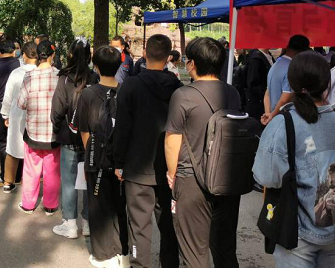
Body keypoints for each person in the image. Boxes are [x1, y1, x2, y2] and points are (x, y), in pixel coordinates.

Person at [253, 51, 335, 265]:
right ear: (327, 83)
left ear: (291, 84)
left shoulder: (283, 124)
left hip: (296, 232)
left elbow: (266, 177)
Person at [164, 37, 242, 268]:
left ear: (192, 63)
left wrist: (172, 174)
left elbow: (172, 141)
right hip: (227, 178)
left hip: (191, 180)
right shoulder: (232, 93)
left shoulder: (183, 95)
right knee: (225, 249)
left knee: (193, 252)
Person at [114, 34, 182, 268]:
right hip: (169, 168)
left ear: (145, 52)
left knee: (139, 228)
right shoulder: (177, 87)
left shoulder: (131, 85)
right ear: (168, 56)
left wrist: (118, 162)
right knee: (169, 225)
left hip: (136, 167)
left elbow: (122, 127)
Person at [77, 46, 128, 267]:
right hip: (122, 159)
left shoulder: (88, 94)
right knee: (120, 205)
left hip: (96, 158)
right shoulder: (126, 91)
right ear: (119, 65)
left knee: (98, 207)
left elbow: (84, 130)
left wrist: (92, 154)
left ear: (95, 67)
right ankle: (123, 252)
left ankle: (104, 255)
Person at [51, 38, 96, 239]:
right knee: (87, 181)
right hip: (90, 138)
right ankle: (87, 223)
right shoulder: (94, 78)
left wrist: (56, 127)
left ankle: (69, 224)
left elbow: (57, 110)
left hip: (68, 136)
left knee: (69, 182)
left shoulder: (65, 78)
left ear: (70, 54)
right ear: (89, 56)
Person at [17, 41, 61, 215]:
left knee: (31, 170)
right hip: (53, 133)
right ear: (52, 55)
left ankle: (28, 204)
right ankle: (50, 205)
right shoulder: (59, 76)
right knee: (52, 171)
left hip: (33, 132)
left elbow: (21, 103)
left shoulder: (29, 76)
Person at [1, 42, 38, 193]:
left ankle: (8, 182)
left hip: (17, 114)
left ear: (23, 55)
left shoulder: (16, 73)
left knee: (13, 149)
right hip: (36, 115)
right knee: (33, 152)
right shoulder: (41, 72)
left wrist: (5, 114)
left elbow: (8, 97)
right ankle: (29, 185)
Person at [0, 39, 21, 182]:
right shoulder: (20, 65)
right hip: (19, 104)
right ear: (14, 51)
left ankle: (5, 175)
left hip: (1, 105)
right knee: (20, 138)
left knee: (3, 142)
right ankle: (20, 174)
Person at [262, 34, 310, 125]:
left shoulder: (275, 64)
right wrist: (272, 116)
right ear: (303, 52)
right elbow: (285, 98)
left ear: (287, 47)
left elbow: (267, 95)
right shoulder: (292, 68)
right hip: (285, 119)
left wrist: (268, 114)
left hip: (274, 118)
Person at [245, 49, 274, 121]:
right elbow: (253, 83)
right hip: (258, 103)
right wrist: (267, 92)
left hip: (265, 101)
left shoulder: (269, 55)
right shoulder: (256, 59)